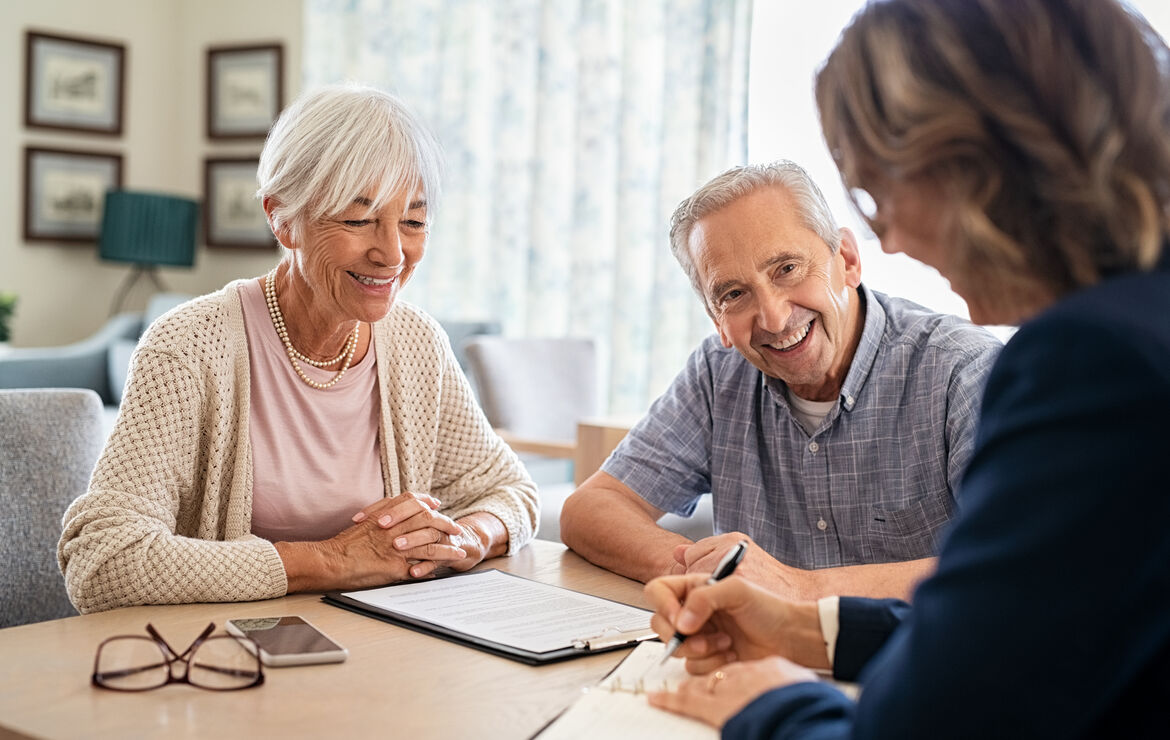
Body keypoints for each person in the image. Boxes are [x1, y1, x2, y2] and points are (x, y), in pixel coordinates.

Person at [644, 0, 1170, 736]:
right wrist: (807, 629)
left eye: (877, 189)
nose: (886, 234)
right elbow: (1021, 627)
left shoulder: (1093, 363)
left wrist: (768, 704)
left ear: (970, 161)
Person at [58, 85, 539, 614]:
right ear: (283, 218)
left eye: (414, 221)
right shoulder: (188, 347)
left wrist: (463, 539)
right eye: (359, 220)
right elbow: (103, 562)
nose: (393, 254)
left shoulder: (417, 342)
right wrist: (334, 561)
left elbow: (511, 493)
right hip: (231, 656)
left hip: (390, 651)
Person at [560, 160, 1001, 601]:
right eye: (734, 294)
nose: (773, 317)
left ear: (846, 260)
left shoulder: (964, 372)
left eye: (787, 268)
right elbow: (590, 509)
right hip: (755, 665)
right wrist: (711, 573)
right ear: (718, 320)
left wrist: (795, 588)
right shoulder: (719, 374)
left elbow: (1019, 563)